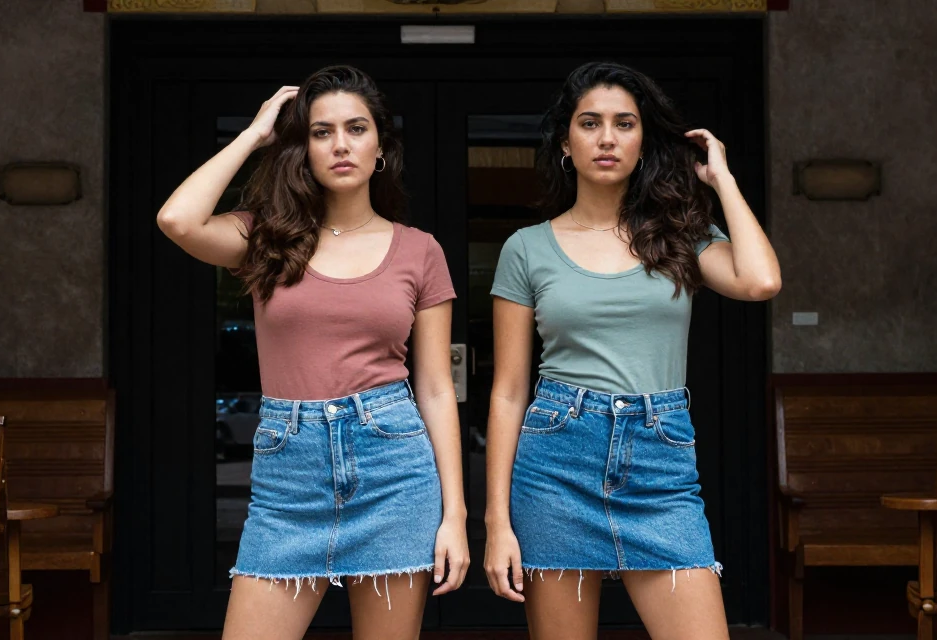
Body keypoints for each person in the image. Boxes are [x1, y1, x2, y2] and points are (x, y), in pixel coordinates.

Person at [156, 65, 469, 640]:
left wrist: (456, 515)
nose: (340, 144)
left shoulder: (420, 251)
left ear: (381, 146)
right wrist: (254, 134)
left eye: (356, 128)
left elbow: (433, 387)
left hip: (395, 468)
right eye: (321, 132)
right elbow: (177, 219)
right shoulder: (264, 236)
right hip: (288, 475)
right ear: (302, 148)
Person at [483, 61, 781, 640]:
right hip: (555, 461)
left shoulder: (680, 233)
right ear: (566, 143)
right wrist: (498, 520)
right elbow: (509, 390)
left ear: (643, 142)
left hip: (659, 459)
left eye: (624, 124)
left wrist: (722, 181)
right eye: (590, 123)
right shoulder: (526, 249)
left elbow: (760, 281)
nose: (607, 138)